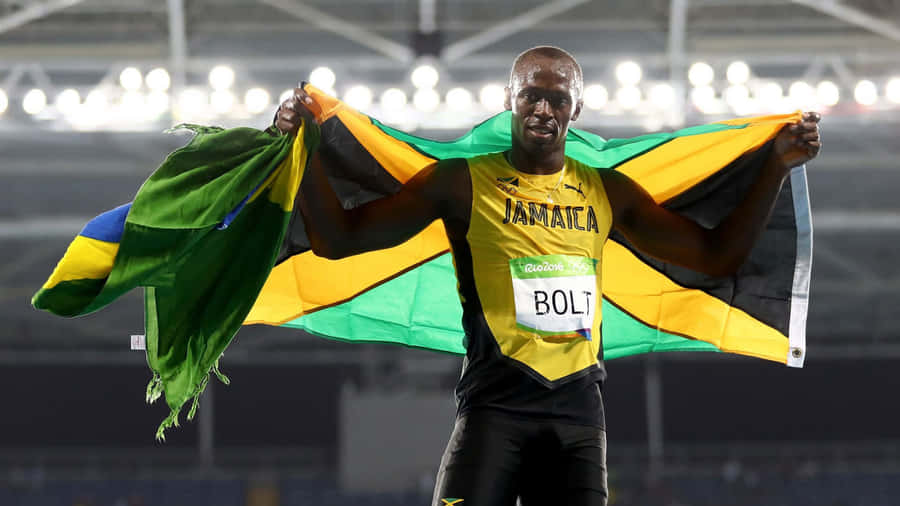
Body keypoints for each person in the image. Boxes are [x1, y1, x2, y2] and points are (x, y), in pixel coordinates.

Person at [274, 46, 821, 506]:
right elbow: (338, 240)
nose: (542, 109)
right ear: (508, 100)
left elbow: (715, 257)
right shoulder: (460, 183)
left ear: (576, 108)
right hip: (494, 410)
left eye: (557, 99)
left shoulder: (606, 191)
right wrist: (307, 146)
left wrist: (774, 166)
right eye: (530, 95)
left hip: (577, 420)